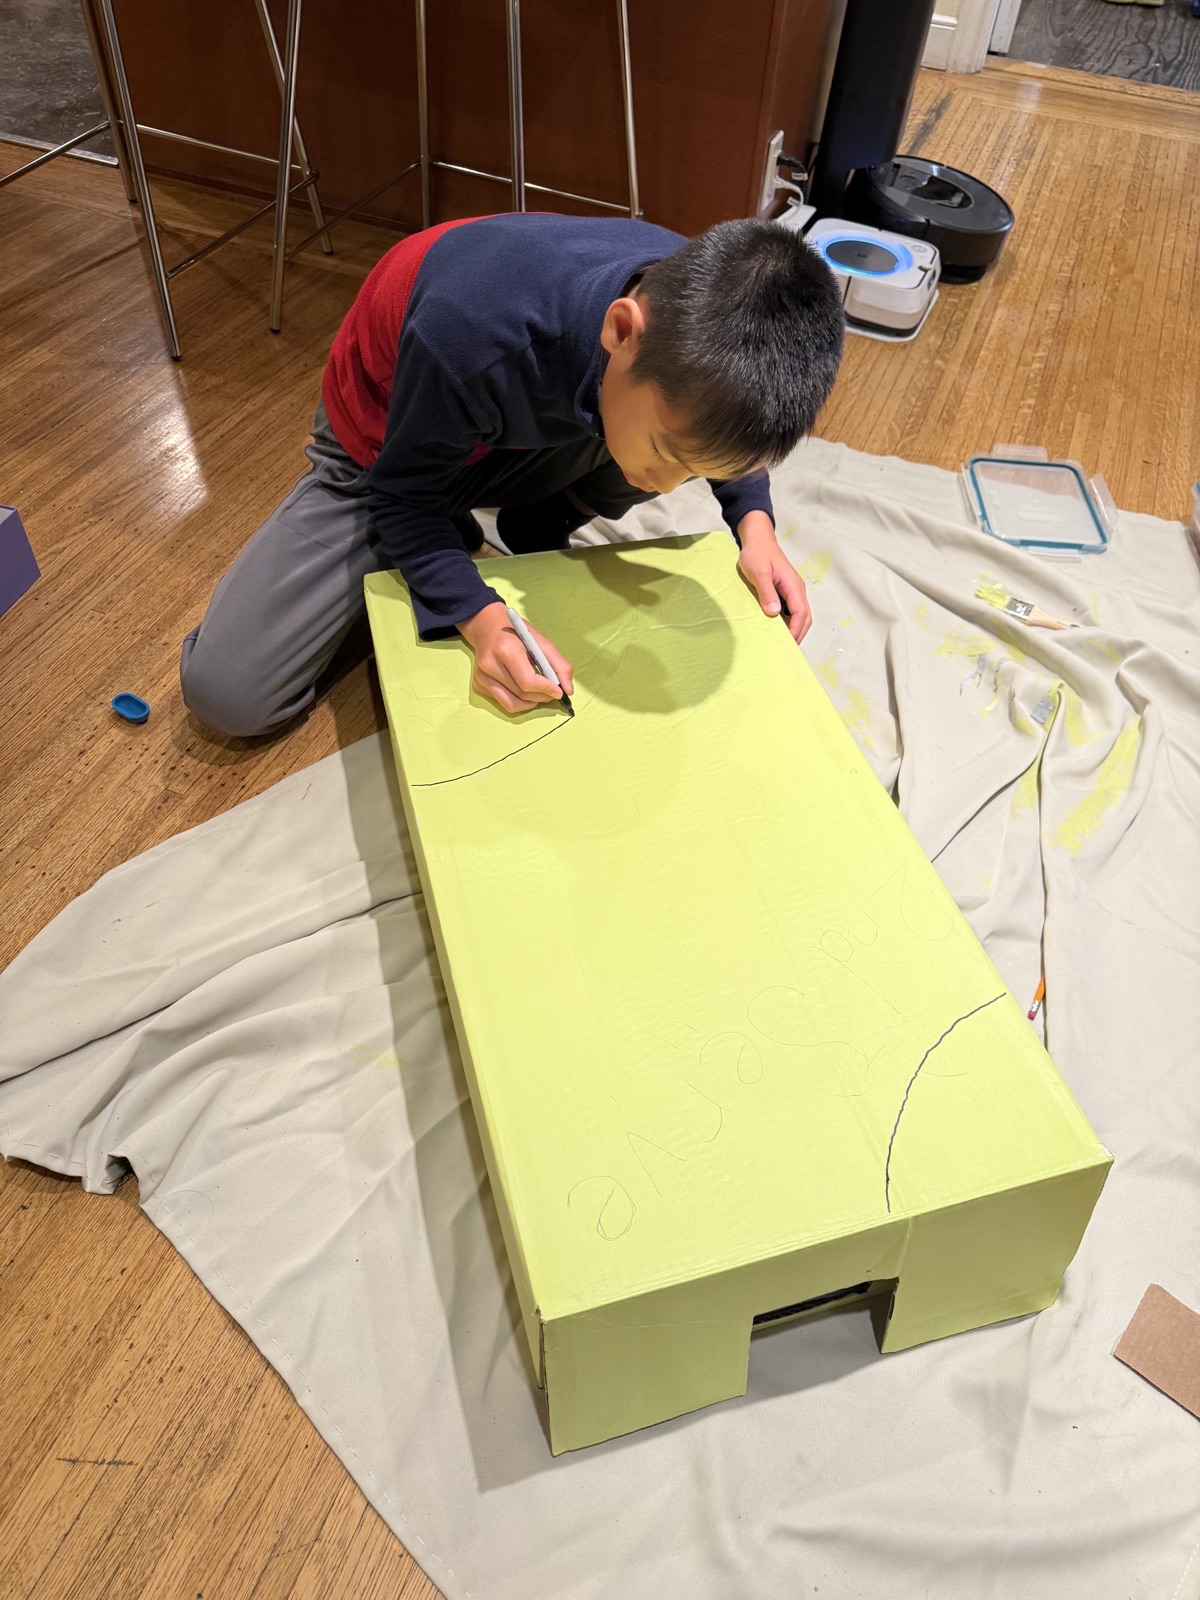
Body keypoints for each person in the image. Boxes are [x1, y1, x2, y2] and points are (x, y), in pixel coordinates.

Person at [180, 212, 844, 737]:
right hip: (385, 447)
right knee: (229, 694)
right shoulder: (472, 333)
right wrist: (479, 618)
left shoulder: (695, 312)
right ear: (621, 329)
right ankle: (464, 532)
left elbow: (720, 440)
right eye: (668, 453)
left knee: (645, 450)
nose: (666, 487)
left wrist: (754, 527)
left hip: (507, 425)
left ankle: (528, 524)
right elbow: (403, 495)